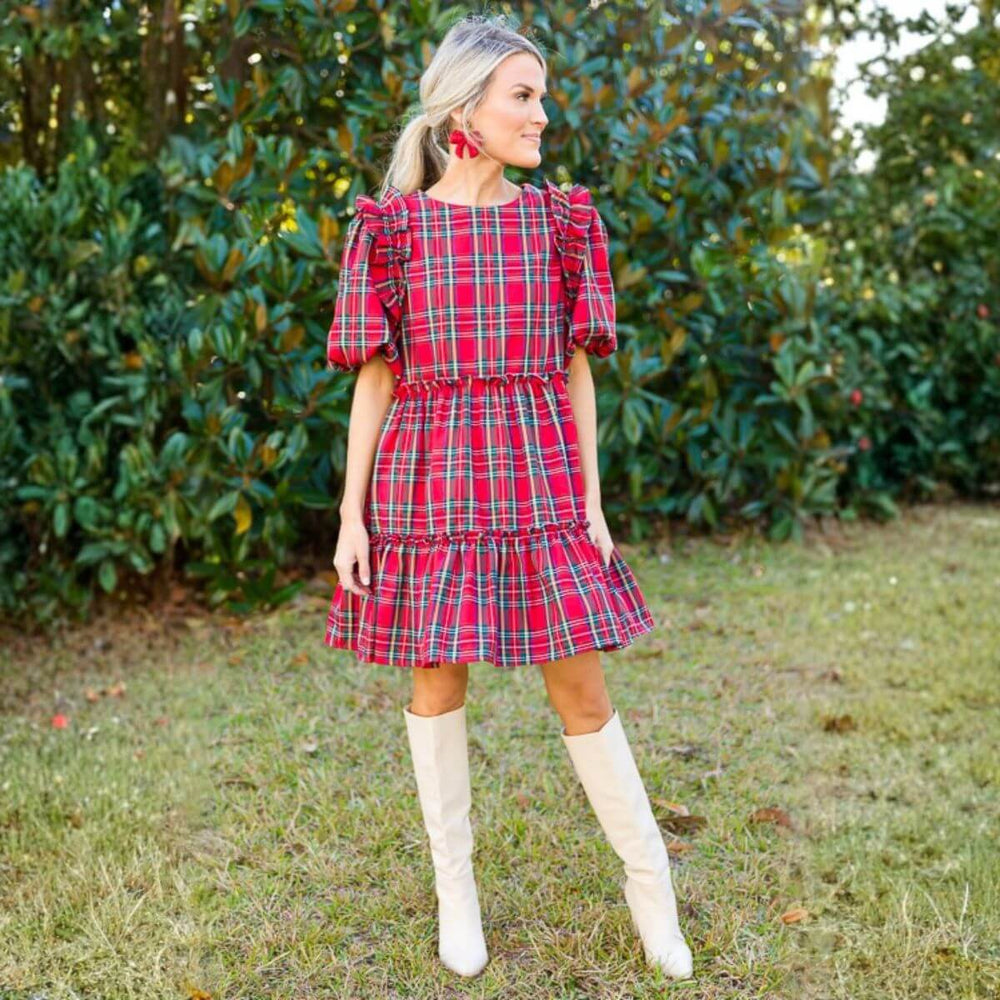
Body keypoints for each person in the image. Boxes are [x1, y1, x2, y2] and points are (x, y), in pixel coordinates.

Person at [323, 13, 694, 982]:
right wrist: (351, 515)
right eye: (522, 95)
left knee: (580, 688)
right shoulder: (392, 230)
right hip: (427, 481)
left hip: (537, 479)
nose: (542, 113)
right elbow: (373, 377)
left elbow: (577, 371)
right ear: (465, 110)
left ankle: (648, 884)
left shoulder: (560, 221)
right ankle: (458, 891)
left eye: (541, 94)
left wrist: (593, 501)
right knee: (436, 680)